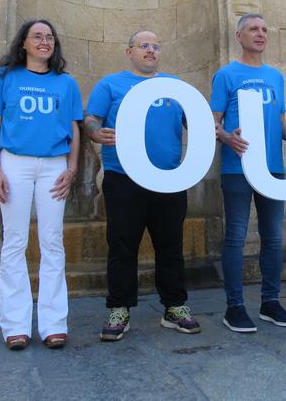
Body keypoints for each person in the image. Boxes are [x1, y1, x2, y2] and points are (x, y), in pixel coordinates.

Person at [85, 30, 200, 341]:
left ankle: (175, 306)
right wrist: (96, 132)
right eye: (144, 45)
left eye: (156, 46)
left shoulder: (177, 87)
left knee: (171, 245)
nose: (151, 50)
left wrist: (222, 131)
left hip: (170, 178)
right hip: (123, 177)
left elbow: (200, 123)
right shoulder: (110, 84)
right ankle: (119, 308)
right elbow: (91, 118)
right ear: (129, 52)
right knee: (122, 244)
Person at [0, 19, 83, 350]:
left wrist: (72, 168)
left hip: (54, 165)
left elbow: (74, 127)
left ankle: (54, 324)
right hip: (15, 164)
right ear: (23, 43)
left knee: (52, 243)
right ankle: (16, 326)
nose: (44, 41)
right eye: (37, 36)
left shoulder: (66, 83)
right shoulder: (2, 78)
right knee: (15, 242)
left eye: (50, 37)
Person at [211, 13, 286, 333]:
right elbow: (213, 120)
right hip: (238, 167)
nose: (260, 34)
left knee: (273, 238)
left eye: (264, 29)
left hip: (272, 168)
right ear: (239, 36)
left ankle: (270, 302)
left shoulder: (276, 76)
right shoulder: (226, 75)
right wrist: (226, 137)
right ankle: (234, 307)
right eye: (253, 29)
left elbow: (282, 121)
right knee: (235, 236)